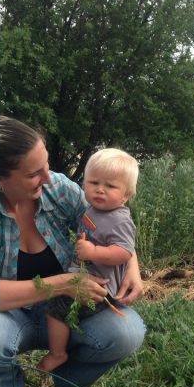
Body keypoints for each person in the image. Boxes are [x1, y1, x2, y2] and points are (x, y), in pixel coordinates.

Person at [0, 116, 146, 387]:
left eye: (46, 164)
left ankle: (68, 382)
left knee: (127, 332)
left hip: (69, 308)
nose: (48, 178)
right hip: (9, 313)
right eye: (33, 174)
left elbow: (110, 223)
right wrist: (65, 283)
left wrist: (132, 263)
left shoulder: (58, 188)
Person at [38, 148, 138, 373]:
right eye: (94, 182)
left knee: (57, 308)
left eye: (110, 186)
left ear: (126, 195)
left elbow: (124, 252)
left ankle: (58, 354)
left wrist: (93, 252)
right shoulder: (93, 209)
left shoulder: (119, 220)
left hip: (100, 286)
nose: (100, 189)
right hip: (85, 276)